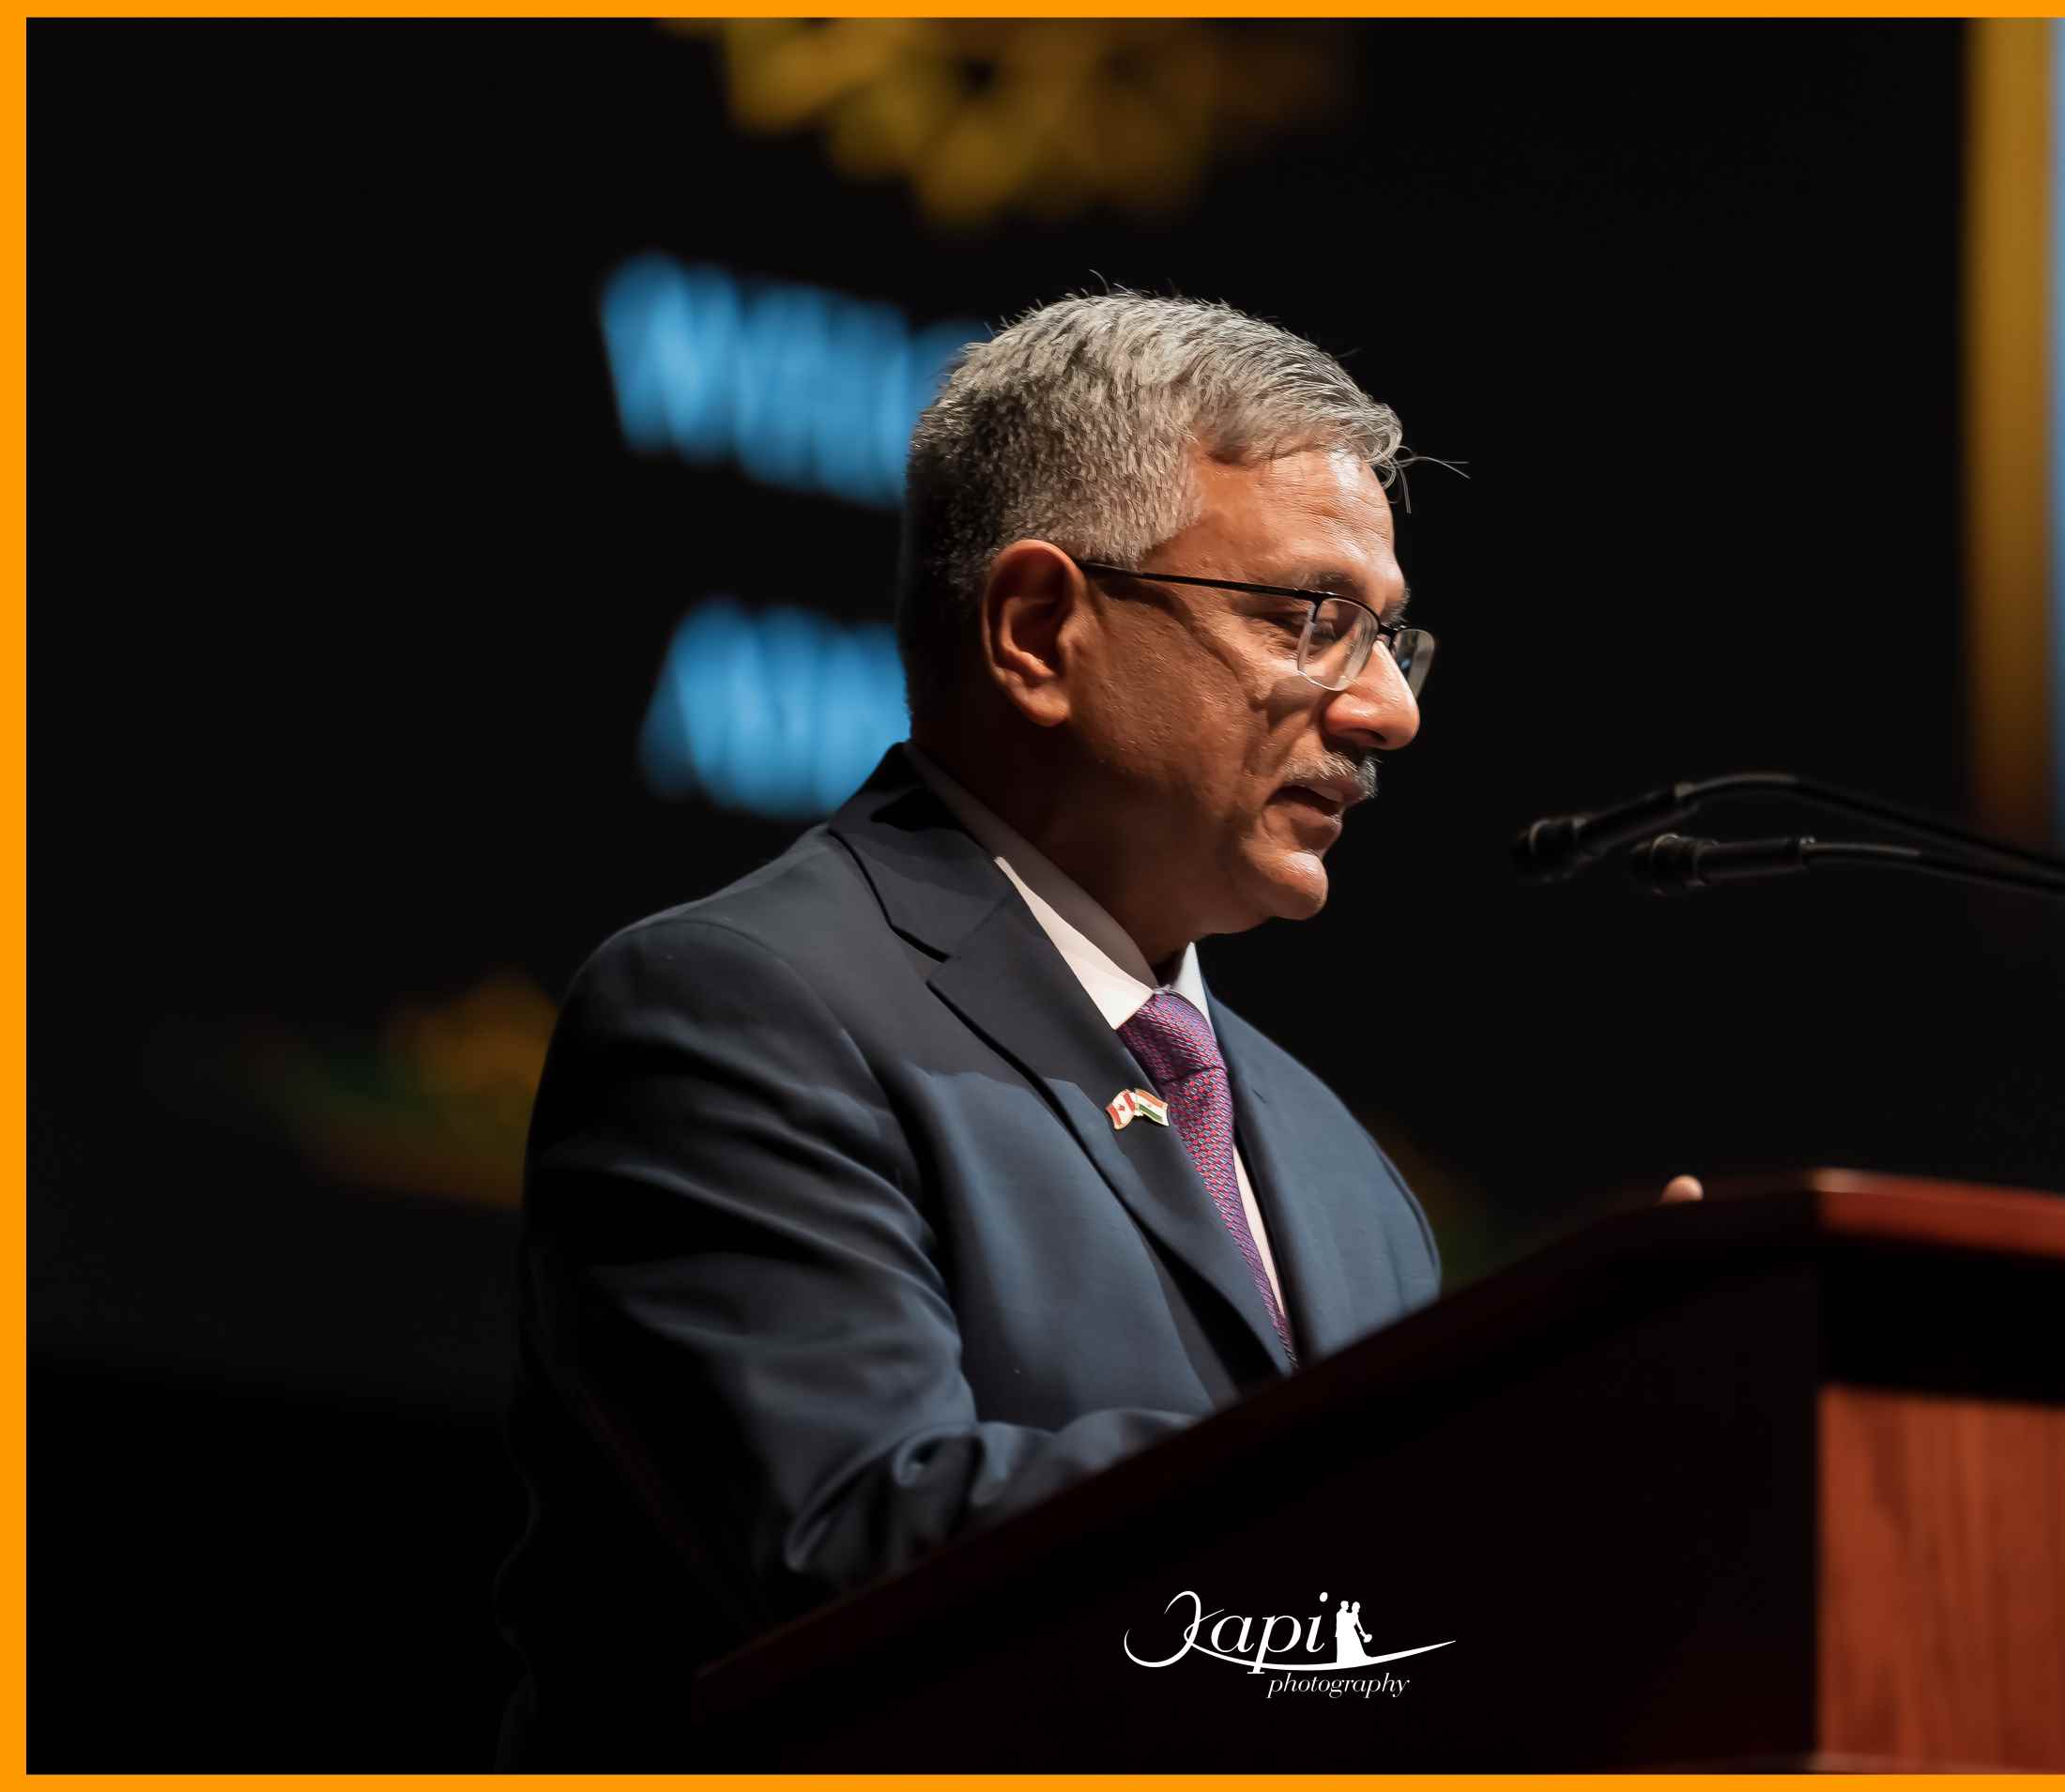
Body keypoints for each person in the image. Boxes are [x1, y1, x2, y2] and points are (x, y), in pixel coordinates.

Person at [494, 293, 1454, 1765]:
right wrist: (1474, 1473)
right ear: (1037, 632)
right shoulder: (737, 1014)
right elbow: (858, 1543)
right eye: (1309, 619)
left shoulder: (1343, 1171)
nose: (1386, 710)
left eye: (1389, 638)